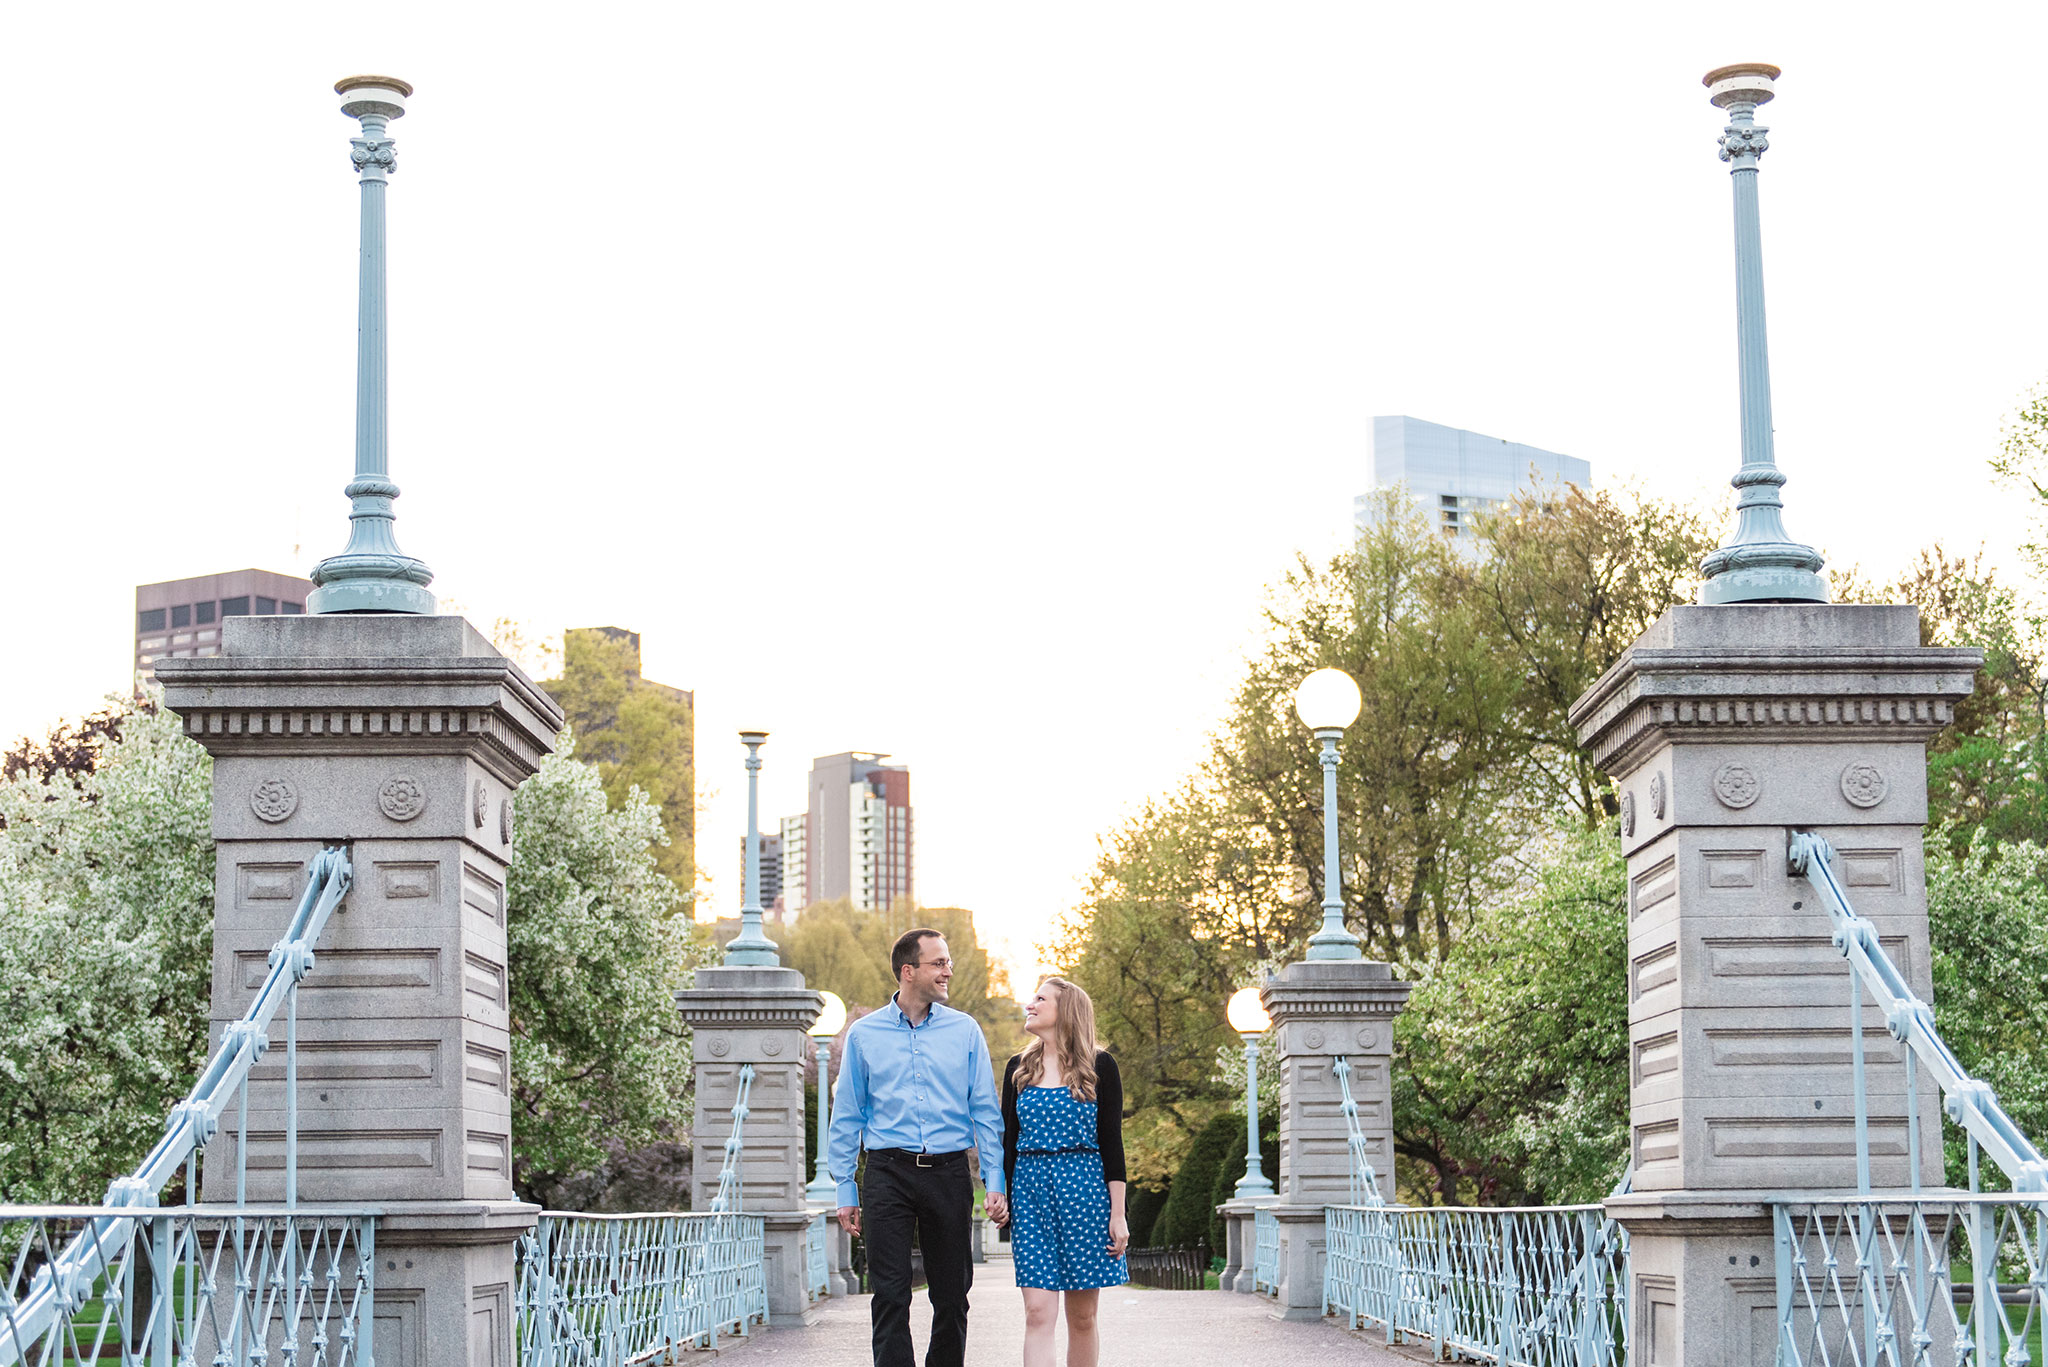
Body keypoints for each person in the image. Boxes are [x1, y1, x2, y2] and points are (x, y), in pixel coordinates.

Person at [830, 927, 1009, 1367]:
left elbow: (986, 1113)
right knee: (889, 1295)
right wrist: (845, 1188)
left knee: (951, 1297)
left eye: (947, 962)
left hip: (948, 1173)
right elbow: (848, 1116)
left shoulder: (965, 1031)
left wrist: (995, 1180)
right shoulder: (863, 1035)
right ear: (908, 972)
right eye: (939, 963)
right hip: (886, 1173)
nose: (949, 971)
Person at [999, 976, 1128, 1367]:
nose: (1030, 1004)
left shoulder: (1100, 1065)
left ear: (1065, 1010)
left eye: (1040, 998)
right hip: (1031, 1193)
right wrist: (1000, 1192)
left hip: (1085, 1194)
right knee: (1037, 1312)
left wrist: (1118, 1215)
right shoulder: (1017, 1069)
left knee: (1083, 1317)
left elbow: (1112, 1142)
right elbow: (1007, 1143)